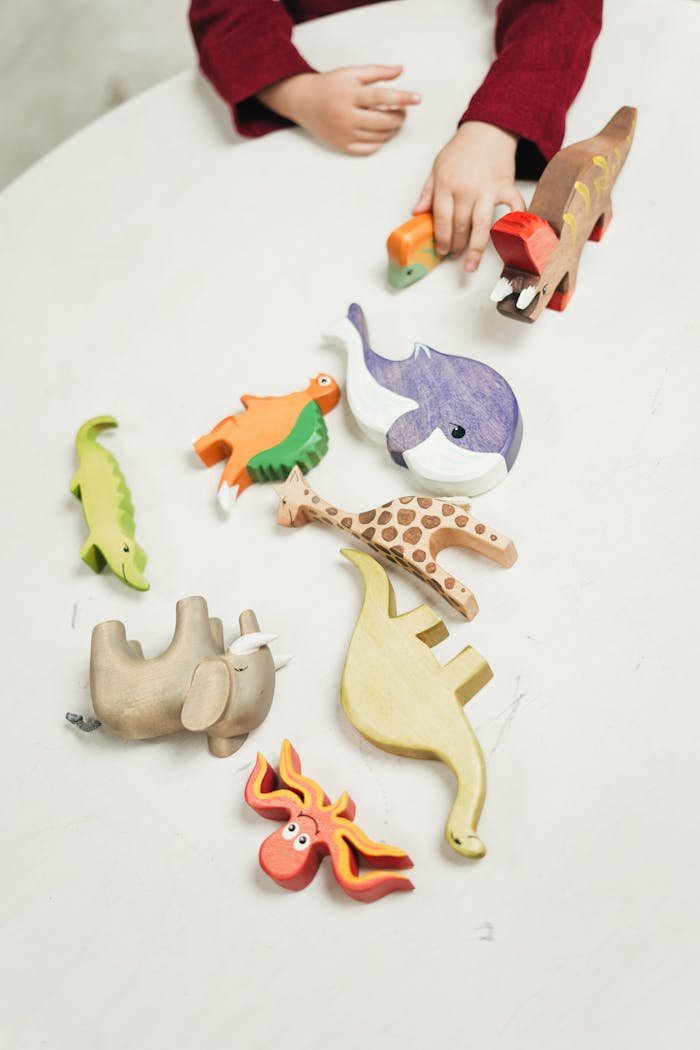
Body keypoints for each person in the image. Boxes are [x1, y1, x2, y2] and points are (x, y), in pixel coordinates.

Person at [189, 0, 602, 272]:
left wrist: (499, 123)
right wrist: (295, 92)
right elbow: (225, 12)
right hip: (321, 142)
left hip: (479, 63)